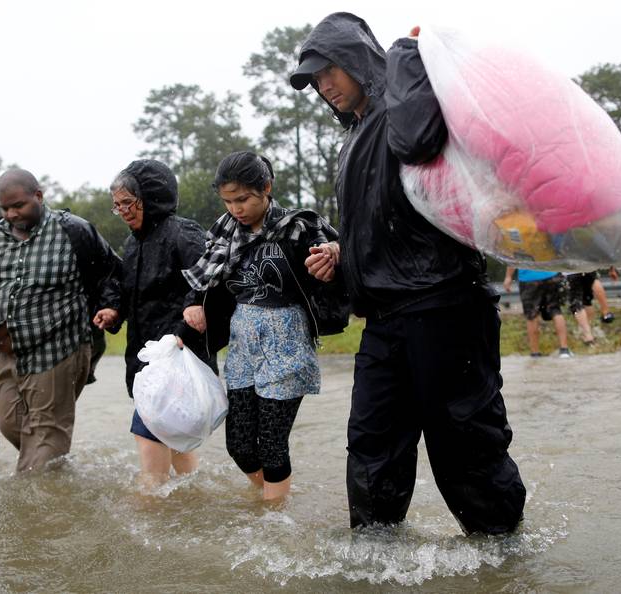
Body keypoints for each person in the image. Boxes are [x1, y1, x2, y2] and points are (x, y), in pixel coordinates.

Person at [290, 13, 525, 534]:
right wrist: (340, 253)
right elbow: (388, 221)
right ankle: (375, 561)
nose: (323, 86)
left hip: (445, 307)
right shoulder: (354, 140)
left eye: (329, 70)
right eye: (313, 80)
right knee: (371, 444)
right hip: (385, 319)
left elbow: (419, 142)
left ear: (357, 59)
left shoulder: (409, 104)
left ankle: (503, 559)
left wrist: (404, 57)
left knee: (464, 441)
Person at [181, 151, 340, 501]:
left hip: (287, 339)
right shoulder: (224, 230)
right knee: (238, 445)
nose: (236, 209)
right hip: (243, 344)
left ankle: (273, 518)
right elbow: (205, 279)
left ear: (266, 188)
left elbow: (339, 248)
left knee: (271, 444)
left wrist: (332, 251)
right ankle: (274, 495)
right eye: (228, 201)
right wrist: (193, 305)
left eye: (243, 199)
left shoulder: (299, 225)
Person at [0, 169, 119, 472]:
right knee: (9, 421)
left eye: (19, 206)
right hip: (7, 352)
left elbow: (112, 273)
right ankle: (59, 471)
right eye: (5, 208)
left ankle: (40, 506)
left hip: (59, 348)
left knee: (43, 441)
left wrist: (110, 307)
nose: (12, 214)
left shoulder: (73, 231)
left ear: (38, 196)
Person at [92, 159, 216, 486]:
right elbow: (129, 292)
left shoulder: (183, 234)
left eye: (129, 204)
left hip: (177, 358)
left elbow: (209, 285)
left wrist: (183, 331)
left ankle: (147, 514)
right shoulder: (134, 244)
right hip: (146, 360)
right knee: (176, 448)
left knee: (148, 443)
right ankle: (195, 501)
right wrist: (113, 310)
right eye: (117, 206)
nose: (123, 212)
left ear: (151, 198)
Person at [504, 267, 573, 357]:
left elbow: (512, 257)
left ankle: (535, 353)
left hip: (529, 278)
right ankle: (564, 349)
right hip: (551, 274)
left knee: (531, 315)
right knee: (556, 310)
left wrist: (508, 276)